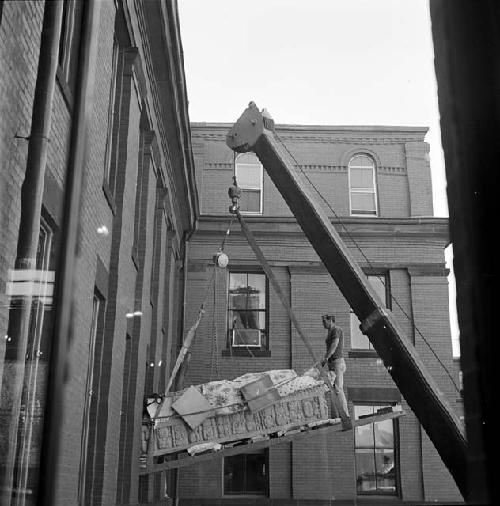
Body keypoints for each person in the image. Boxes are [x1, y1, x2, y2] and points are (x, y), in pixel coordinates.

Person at [321, 314, 350, 423]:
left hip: (337, 362)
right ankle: (335, 417)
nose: (323, 324)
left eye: (324, 321)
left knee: (338, 388)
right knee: (332, 390)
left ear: (331, 320)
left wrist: (326, 357)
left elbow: (334, 345)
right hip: (332, 363)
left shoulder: (336, 330)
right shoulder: (330, 332)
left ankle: (345, 416)